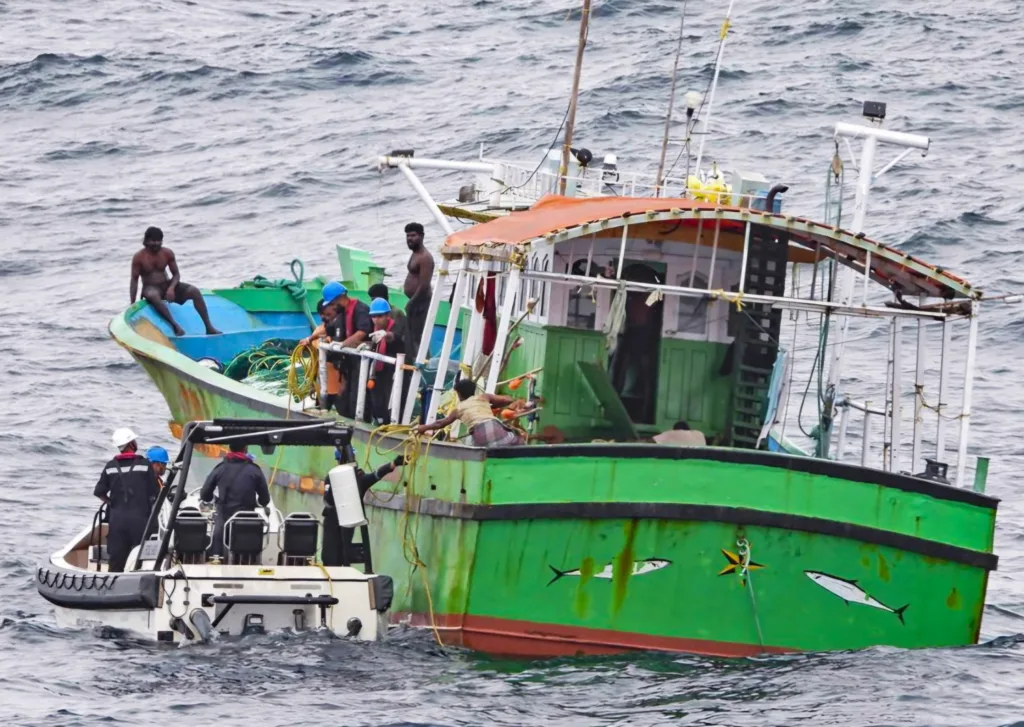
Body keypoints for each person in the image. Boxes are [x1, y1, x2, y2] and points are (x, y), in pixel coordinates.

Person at [130, 226, 221, 337]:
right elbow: (134, 281)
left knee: (194, 291)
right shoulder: (139, 257)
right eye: (153, 241)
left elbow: (176, 274)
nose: (156, 243)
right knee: (152, 294)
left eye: (159, 241)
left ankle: (209, 327)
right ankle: (175, 326)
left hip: (167, 284)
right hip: (151, 287)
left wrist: (171, 288)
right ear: (146, 241)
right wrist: (132, 303)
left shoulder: (167, 253)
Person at [321, 446, 404, 567]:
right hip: (333, 523)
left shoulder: (358, 479)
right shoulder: (333, 478)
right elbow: (327, 500)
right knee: (331, 557)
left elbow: (375, 475)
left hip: (347, 523)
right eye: (352, 457)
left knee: (342, 555)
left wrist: (394, 463)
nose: (354, 460)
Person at [93, 427, 161, 572]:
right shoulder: (144, 465)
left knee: (116, 561)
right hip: (140, 521)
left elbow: (99, 492)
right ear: (131, 444)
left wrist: (111, 503)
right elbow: (155, 492)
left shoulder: (110, 467)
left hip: (117, 522)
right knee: (140, 558)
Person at [199, 442, 271, 557]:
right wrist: (256, 502)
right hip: (247, 524)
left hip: (223, 523)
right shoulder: (255, 470)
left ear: (229, 449)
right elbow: (265, 500)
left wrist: (216, 500)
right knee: (248, 555)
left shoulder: (220, 468)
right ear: (245, 449)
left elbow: (204, 495)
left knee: (217, 556)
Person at [412, 378, 524, 447]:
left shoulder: (458, 409)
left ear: (459, 394)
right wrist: (492, 406)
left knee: (480, 448)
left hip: (479, 434)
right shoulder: (483, 397)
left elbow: (440, 424)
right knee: (518, 439)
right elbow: (508, 400)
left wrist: (424, 428)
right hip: (494, 427)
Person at [367, 297, 409, 424]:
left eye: (379, 316)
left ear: (388, 315)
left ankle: (392, 423)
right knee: (376, 400)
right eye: (373, 316)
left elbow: (395, 337)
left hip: (395, 370)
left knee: (393, 401)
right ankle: (379, 421)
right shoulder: (372, 328)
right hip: (378, 370)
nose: (376, 320)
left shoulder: (396, 327)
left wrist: (386, 335)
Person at [403, 222, 434, 355]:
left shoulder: (425, 257)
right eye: (408, 236)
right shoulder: (415, 253)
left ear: (422, 236)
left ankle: (423, 366)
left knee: (419, 336)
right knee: (412, 336)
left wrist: (411, 303)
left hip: (421, 303)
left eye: (413, 235)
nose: (410, 238)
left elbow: (424, 286)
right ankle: (416, 362)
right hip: (415, 302)